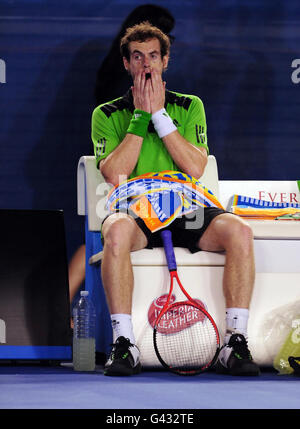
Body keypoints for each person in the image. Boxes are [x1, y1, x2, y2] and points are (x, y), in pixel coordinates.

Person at [91, 21, 260, 377]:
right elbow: (112, 173)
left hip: (186, 207)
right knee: (117, 234)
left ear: (166, 60)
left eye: (153, 56)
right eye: (137, 57)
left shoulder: (189, 106)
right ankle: (124, 345)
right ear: (126, 64)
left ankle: (235, 341)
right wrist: (140, 115)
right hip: (134, 206)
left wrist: (160, 115)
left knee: (240, 232)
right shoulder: (105, 114)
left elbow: (196, 167)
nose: (146, 65)